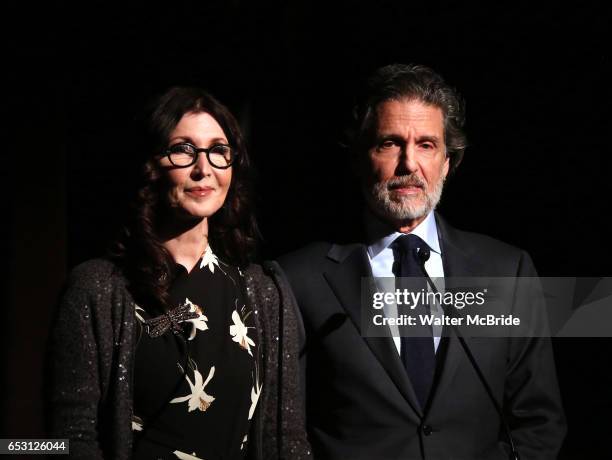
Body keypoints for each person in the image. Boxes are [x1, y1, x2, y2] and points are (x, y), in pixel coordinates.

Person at [277, 64, 566, 459]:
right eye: (390, 143)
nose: (409, 164)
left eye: (427, 145)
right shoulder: (296, 279)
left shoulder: (507, 270)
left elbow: (540, 422)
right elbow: (282, 431)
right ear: (361, 157)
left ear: (448, 162)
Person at [46, 87, 311, 460]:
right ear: (150, 165)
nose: (203, 169)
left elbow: (286, 440)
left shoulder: (264, 292)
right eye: (184, 150)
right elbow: (68, 440)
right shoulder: (97, 289)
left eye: (218, 151)